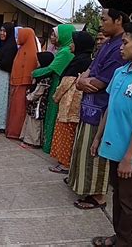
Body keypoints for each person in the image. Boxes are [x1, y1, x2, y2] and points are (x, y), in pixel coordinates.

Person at [91, 19, 132, 247]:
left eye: (125, 42)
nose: (121, 46)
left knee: (129, 203)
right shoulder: (121, 72)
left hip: (130, 154)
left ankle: (125, 242)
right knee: (118, 199)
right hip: (112, 147)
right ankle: (118, 236)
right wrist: (98, 137)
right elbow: (110, 107)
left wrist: (129, 158)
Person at [68, 8, 129, 210]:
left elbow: (101, 82)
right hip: (90, 104)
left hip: (102, 108)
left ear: (118, 19)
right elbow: (91, 70)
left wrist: (82, 81)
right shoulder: (108, 43)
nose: (101, 24)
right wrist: (82, 81)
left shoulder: (120, 46)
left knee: (95, 152)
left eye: (104, 19)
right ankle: (83, 185)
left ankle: (98, 196)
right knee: (85, 148)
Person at [49, 31, 94, 173]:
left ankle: (65, 163)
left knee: (66, 133)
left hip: (69, 104)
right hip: (76, 104)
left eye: (74, 43)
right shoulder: (86, 60)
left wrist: (56, 96)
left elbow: (65, 83)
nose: (71, 46)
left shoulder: (79, 62)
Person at [32, 24, 76, 154]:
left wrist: (34, 73)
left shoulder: (65, 52)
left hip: (59, 84)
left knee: (53, 114)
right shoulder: (62, 49)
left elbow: (52, 68)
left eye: (55, 35)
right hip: (57, 82)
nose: (52, 37)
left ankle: (49, 145)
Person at [6, 27, 39, 139]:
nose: (17, 38)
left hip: (23, 84)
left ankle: (16, 132)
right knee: (15, 108)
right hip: (18, 84)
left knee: (19, 109)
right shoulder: (22, 49)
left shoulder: (30, 52)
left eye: (19, 35)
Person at [19, 52, 55, 147]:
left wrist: (29, 96)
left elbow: (39, 92)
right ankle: (27, 138)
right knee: (31, 120)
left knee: (35, 122)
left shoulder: (44, 78)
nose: (37, 62)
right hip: (34, 103)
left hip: (38, 103)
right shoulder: (40, 74)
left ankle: (33, 141)